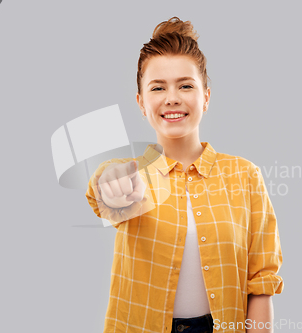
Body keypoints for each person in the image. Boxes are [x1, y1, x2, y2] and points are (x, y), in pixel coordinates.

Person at [86, 17, 284, 333]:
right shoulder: (133, 174)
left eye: (186, 85)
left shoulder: (245, 176)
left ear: (206, 96)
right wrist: (111, 187)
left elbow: (259, 281)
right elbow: (105, 193)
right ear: (141, 102)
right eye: (158, 87)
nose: (172, 97)